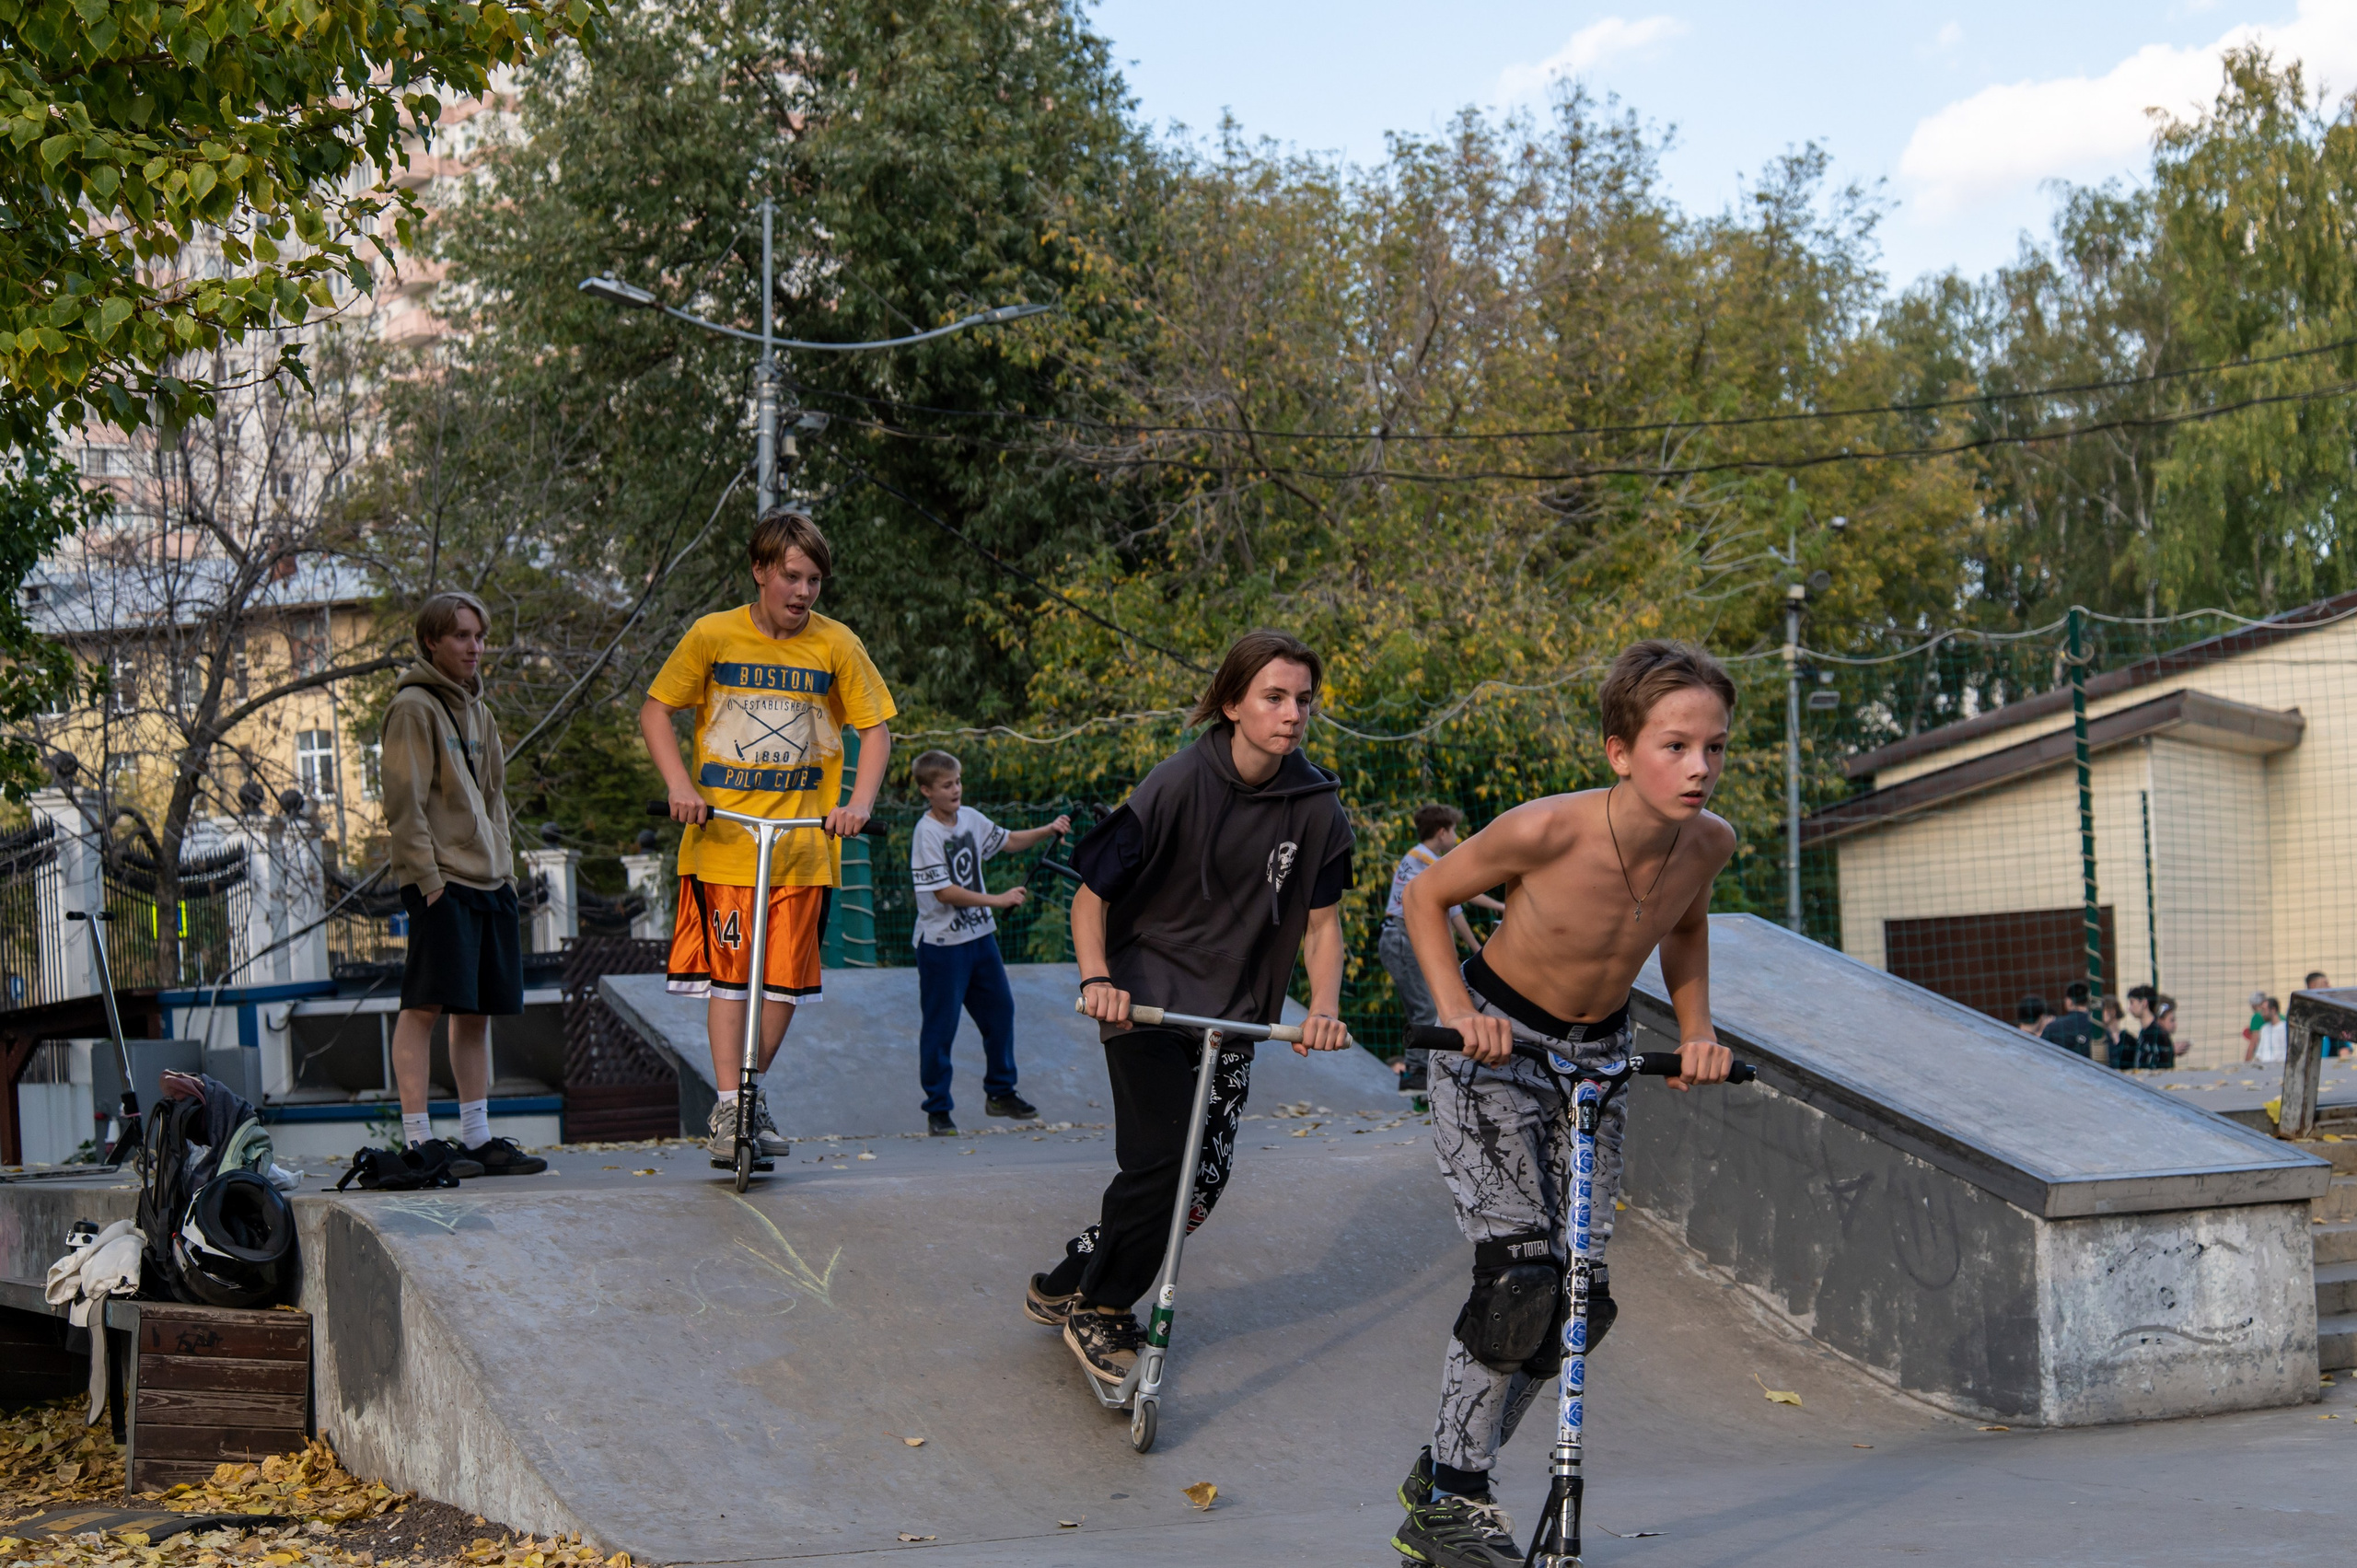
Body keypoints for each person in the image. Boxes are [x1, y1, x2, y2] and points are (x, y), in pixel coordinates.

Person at [1389, 641, 1737, 1568]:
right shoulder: (1545, 827)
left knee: (1577, 1301)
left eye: (1713, 747)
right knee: (1519, 1278)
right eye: (1674, 745)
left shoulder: (1709, 840)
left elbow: (1686, 926)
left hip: (1597, 1064)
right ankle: (1455, 1502)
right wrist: (1458, 1014)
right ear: (1620, 750)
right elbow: (1426, 896)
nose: (1699, 765)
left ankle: (1441, 1470)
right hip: (1495, 1052)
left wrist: (1696, 1028)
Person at [1021, 630, 1354, 1388]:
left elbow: (1323, 925)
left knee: (1198, 1185)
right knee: (1163, 1161)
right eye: (1274, 696)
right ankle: (1102, 1309)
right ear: (1233, 702)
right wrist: (1097, 976)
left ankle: (1071, 1274)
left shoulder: (1320, 810)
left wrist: (1326, 1006)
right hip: (1143, 1002)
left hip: (1232, 1015)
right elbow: (1090, 895)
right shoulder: (1176, 782)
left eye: (1304, 699)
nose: (1292, 713)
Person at [641, 509, 897, 1163]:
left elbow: (875, 731)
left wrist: (857, 804)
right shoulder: (712, 635)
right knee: (731, 980)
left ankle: (747, 1097)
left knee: (781, 985)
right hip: (724, 841)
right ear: (760, 571)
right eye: (790, 576)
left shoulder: (837, 643)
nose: (803, 591)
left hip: (803, 846)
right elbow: (656, 709)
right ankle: (730, 1108)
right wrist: (681, 786)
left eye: (813, 579)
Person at [378, 590, 544, 1178]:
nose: (475, 647)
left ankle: (476, 1137)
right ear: (432, 641)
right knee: (422, 1008)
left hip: (488, 880)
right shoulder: (413, 708)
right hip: (441, 881)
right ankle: (418, 1140)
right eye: (461, 637)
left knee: (475, 1015)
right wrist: (427, 882)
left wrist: (505, 868)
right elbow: (404, 804)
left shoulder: (482, 712)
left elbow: (496, 800)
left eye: (479, 636)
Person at [907, 748, 1068, 1135]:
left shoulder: (971, 819)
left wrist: (1047, 830)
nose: (956, 789)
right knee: (941, 1029)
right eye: (947, 785)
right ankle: (938, 1110)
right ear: (927, 790)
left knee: (1000, 1013)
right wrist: (998, 899)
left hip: (980, 939)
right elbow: (944, 893)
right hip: (943, 946)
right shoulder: (926, 833)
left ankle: (1000, 1093)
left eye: (958, 781)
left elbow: (1008, 840)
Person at [1381, 805, 1506, 1092]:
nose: (1456, 837)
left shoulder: (1420, 858)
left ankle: (1419, 1071)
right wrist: (1498, 910)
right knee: (1425, 1005)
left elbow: (1453, 906)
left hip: (1402, 937)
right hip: (1400, 937)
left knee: (1431, 1003)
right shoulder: (1427, 859)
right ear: (1442, 832)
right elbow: (1461, 902)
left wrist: (1476, 948)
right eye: (1454, 831)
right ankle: (1416, 1072)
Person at [2119, 985, 2177, 1071]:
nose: (2129, 1008)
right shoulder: (2145, 1032)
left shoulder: (2156, 1034)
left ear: (2144, 1003)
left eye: (2132, 1002)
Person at [2040, 981, 2103, 1060]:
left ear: (2069, 1001)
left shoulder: (2053, 1027)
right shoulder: (2098, 1027)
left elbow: (2041, 1054)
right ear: (2088, 1001)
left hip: (2060, 1069)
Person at [2255, 996, 2288, 1065]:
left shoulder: (2285, 1028)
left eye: (2264, 1010)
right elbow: (2259, 1055)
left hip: (2279, 1067)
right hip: (2264, 1069)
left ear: (2273, 1010)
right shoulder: (2264, 1029)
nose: (2262, 1014)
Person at [2099, 994, 2128, 1065]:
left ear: (2113, 1011)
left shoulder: (2128, 1039)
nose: (2100, 1014)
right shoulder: (2099, 1037)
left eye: (2103, 1010)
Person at [2242, 990, 2268, 1061]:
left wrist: (2246, 1064)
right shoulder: (2279, 1016)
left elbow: (2253, 1043)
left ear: (2253, 1005)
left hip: (2265, 1056)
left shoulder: (2257, 1017)